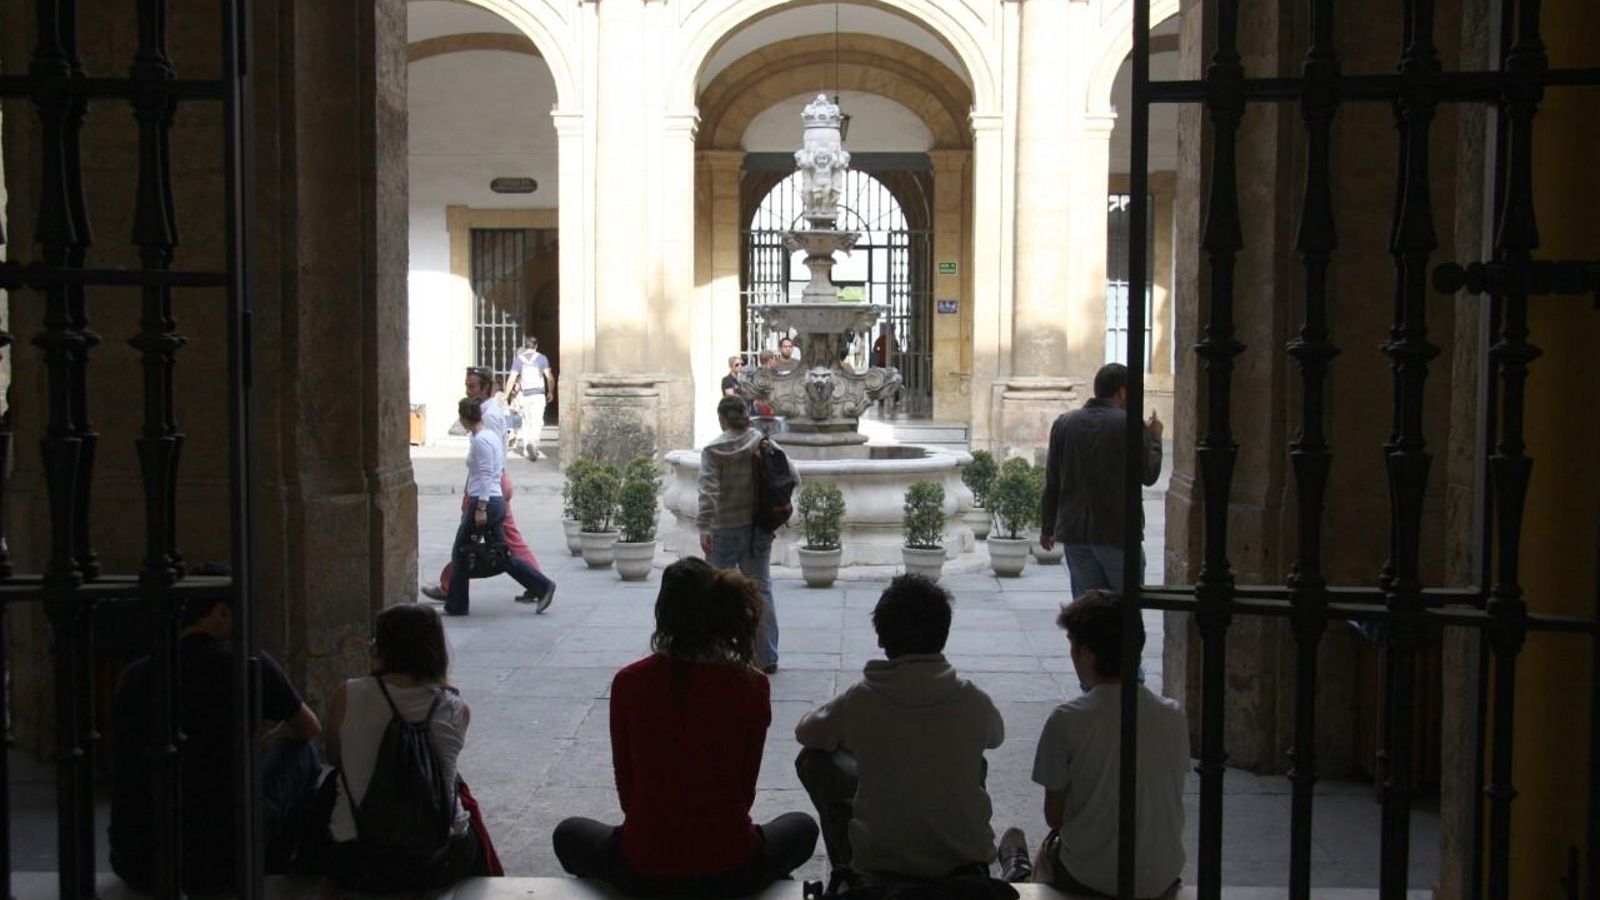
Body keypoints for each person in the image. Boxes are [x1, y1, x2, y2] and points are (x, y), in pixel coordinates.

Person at [552, 559, 819, 897]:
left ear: (663, 615)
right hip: (732, 864)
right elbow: (744, 790)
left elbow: (628, 790)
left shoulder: (630, 682)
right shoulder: (750, 685)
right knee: (802, 827)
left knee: (568, 834)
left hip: (645, 865)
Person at [795, 575, 1004, 890]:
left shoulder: (861, 699)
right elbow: (996, 737)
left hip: (882, 862)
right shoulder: (972, 699)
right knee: (973, 757)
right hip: (963, 861)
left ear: (881, 638)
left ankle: (848, 871)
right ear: (943, 635)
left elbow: (806, 733)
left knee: (816, 759)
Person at [110, 595, 323, 892]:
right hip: (224, 861)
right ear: (221, 611)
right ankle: (272, 861)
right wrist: (273, 737)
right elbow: (309, 727)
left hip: (140, 862)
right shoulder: (247, 662)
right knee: (303, 751)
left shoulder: (137, 673)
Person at [997, 590, 1187, 899]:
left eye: (1073, 646)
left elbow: (1054, 816)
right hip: (1161, 876)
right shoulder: (1173, 715)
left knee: (1047, 853)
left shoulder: (1068, 720)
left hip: (1092, 879)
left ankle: (1016, 870)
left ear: (1086, 653)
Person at [321, 603, 490, 889]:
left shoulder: (348, 694)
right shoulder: (456, 708)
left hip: (359, 858)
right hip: (439, 860)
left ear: (384, 648)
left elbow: (335, 757)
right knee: (458, 790)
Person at [422, 366, 552, 610]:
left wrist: (479, 503)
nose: (469, 390)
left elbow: (488, 465)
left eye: (472, 386)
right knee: (503, 547)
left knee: (468, 547)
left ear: (485, 388)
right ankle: (539, 584)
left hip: (490, 491)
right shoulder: (487, 416)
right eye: (467, 386)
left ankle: (453, 593)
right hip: (491, 489)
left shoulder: (488, 420)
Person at [1039, 362, 1163, 597]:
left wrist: (1048, 527)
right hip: (1117, 533)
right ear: (1123, 392)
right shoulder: (1130, 425)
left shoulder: (1064, 423)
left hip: (1076, 534)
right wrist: (1154, 438)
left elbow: (1052, 480)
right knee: (1126, 610)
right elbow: (1148, 475)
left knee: (1088, 613)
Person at [698, 394, 788, 673]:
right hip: (756, 530)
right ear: (745, 414)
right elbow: (791, 475)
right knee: (761, 591)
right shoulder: (762, 442)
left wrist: (704, 525)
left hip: (723, 530)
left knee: (715, 594)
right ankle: (767, 657)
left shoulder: (713, 450)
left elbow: (708, 492)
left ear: (722, 419)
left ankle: (717, 652)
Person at [444, 395, 556, 616]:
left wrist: (481, 507)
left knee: (460, 551)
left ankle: (456, 604)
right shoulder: (490, 437)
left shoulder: (481, 440)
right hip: (494, 500)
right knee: (501, 554)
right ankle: (542, 586)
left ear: (466, 419)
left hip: (486, 500)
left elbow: (487, 474)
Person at [506, 336, 554, 461]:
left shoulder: (519, 360)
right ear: (536, 346)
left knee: (526, 422)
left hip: (524, 395)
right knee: (537, 421)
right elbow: (549, 377)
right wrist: (551, 391)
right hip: (538, 394)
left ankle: (527, 449)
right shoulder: (542, 358)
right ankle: (533, 445)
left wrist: (506, 395)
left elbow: (512, 378)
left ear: (525, 346)